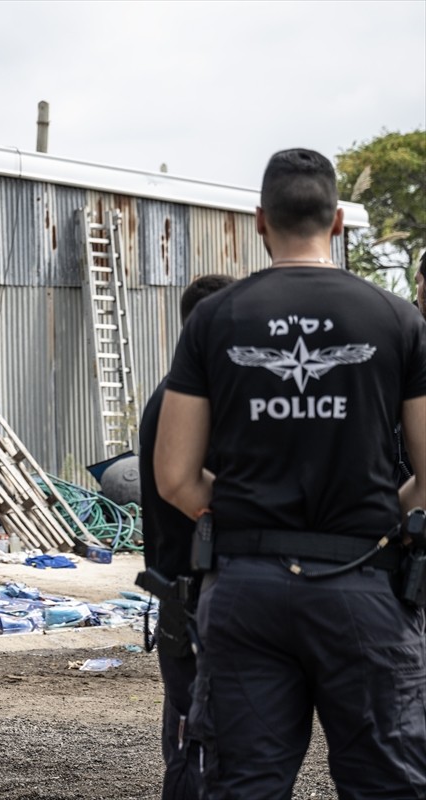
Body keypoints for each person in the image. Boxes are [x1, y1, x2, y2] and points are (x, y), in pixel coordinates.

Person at [155, 148, 426, 798]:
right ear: (336, 222)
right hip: (365, 584)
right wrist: (384, 516)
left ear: (260, 221)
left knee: (244, 784)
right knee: (389, 784)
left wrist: (243, 514)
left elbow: (174, 477)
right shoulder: (398, 320)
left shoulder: (215, 319)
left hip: (247, 592)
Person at [137, 273, 234, 800]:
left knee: (193, 730)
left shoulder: (180, 393)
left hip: (187, 595)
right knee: (195, 741)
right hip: (192, 595)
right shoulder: (189, 401)